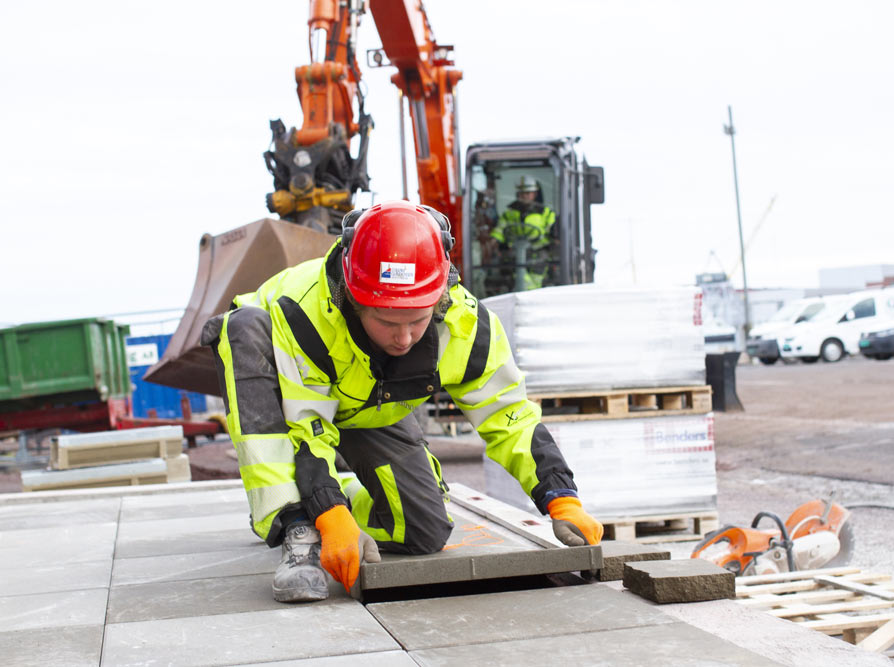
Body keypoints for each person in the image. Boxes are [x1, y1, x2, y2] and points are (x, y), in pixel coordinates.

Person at [201, 200, 603, 602]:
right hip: (289, 397)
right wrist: (323, 512)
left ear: (440, 296)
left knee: (424, 532)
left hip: (370, 407)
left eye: (417, 319)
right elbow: (307, 426)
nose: (405, 337)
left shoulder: (465, 327)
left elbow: (509, 416)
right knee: (243, 329)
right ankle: (295, 523)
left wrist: (560, 496)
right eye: (387, 321)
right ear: (352, 299)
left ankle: (334, 502)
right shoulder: (307, 315)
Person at [491, 175, 556, 290]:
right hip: (515, 255)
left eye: (528, 193)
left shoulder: (546, 213)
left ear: (535, 194)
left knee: (536, 280)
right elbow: (500, 230)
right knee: (508, 272)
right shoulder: (509, 213)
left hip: (539, 255)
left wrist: (555, 240)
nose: (524, 196)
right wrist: (494, 240)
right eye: (522, 193)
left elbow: (553, 232)